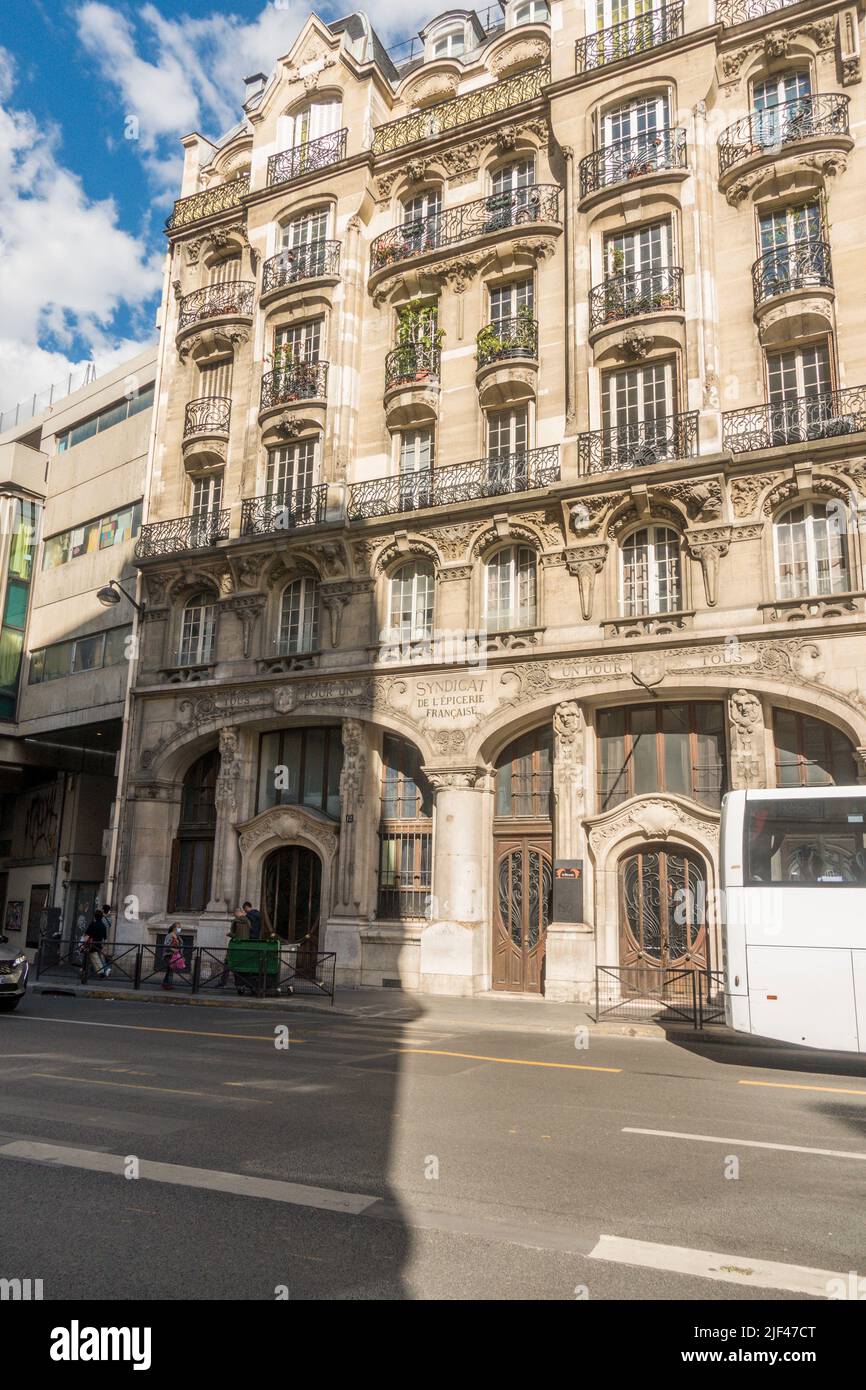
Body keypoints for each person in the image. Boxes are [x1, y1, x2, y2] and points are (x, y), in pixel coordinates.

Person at [218, 907, 252, 986]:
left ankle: (223, 982)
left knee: (227, 963)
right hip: (244, 946)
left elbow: (235, 935)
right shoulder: (248, 921)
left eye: (234, 913)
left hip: (235, 945)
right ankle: (239, 983)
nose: (234, 915)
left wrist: (229, 934)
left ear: (237, 912)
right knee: (240, 965)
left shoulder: (235, 922)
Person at [82, 907, 111, 981]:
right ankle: (83, 971)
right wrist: (104, 948)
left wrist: (83, 945)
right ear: (101, 917)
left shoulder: (92, 924)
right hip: (99, 945)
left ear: (95, 916)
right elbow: (105, 938)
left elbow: (87, 935)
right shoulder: (103, 926)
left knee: (95, 959)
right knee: (92, 958)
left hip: (91, 945)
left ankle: (101, 974)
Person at [161, 923, 187, 990]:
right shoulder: (169, 936)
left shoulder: (178, 937)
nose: (180, 929)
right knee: (170, 969)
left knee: (169, 970)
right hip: (168, 955)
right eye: (178, 927)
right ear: (174, 928)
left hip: (175, 955)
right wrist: (173, 949)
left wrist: (182, 956)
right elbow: (165, 945)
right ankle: (168, 985)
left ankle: (165, 983)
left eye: (180, 927)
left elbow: (180, 947)